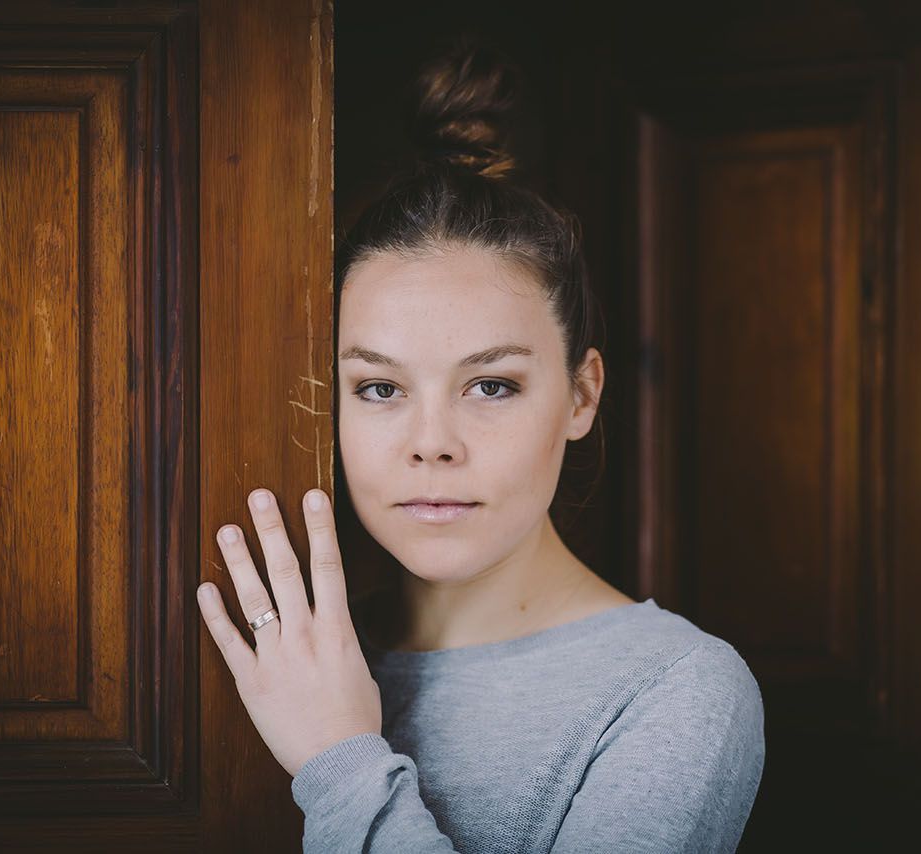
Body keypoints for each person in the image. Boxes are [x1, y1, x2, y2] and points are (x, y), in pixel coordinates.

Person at [198, 37, 765, 854]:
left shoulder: (676, 691)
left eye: (491, 385)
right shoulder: (291, 661)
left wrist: (340, 761)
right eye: (380, 389)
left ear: (581, 394)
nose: (432, 445)